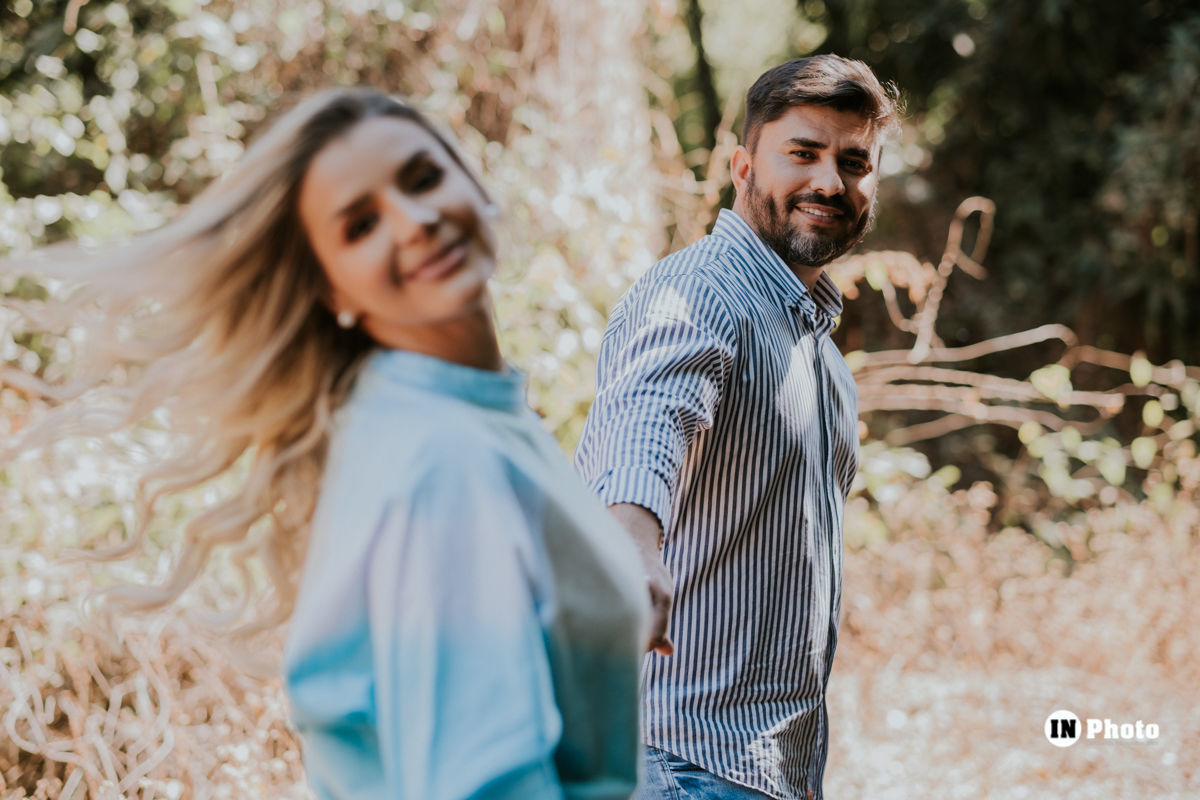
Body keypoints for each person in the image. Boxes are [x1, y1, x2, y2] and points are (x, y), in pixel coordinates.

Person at [2, 88, 648, 799]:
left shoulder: (435, 411)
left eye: (425, 178)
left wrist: (610, 592)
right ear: (331, 289)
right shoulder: (441, 459)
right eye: (361, 225)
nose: (416, 222)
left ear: (472, 179)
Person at [575, 55, 902, 800]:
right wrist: (630, 536)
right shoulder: (699, 292)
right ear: (743, 166)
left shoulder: (820, 353)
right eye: (804, 154)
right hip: (676, 760)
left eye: (854, 162)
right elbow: (649, 414)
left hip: (762, 771)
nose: (830, 181)